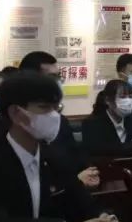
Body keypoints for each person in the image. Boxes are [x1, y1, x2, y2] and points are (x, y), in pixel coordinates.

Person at [0, 71, 119, 222]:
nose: (54, 116)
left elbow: (86, 204)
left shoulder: (56, 158)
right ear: (16, 113)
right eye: (44, 108)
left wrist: (107, 218)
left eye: (56, 108)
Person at [18, 51, 99, 189]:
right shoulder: (13, 126)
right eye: (52, 77)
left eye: (59, 77)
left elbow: (76, 155)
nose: (57, 82)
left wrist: (90, 171)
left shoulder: (60, 121)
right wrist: (76, 181)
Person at [81, 79, 132, 158]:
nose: (128, 101)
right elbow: (101, 149)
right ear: (108, 100)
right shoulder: (91, 123)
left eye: (130, 97)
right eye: (122, 97)